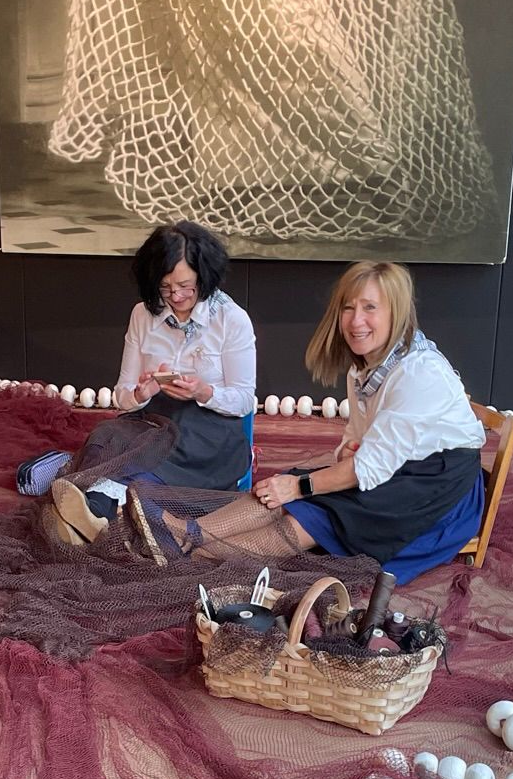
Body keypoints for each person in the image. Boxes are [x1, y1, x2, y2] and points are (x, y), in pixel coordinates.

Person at [125, 260, 485, 581]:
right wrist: (344, 453)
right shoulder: (366, 366)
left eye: (370, 308)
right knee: (287, 485)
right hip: (399, 467)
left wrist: (302, 487)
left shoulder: (418, 374)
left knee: (317, 512)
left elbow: (366, 471)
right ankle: (186, 532)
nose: (356, 321)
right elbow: (356, 435)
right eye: (348, 308)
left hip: (438, 489)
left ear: (397, 313)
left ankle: (187, 547)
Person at [27, 222, 258, 544]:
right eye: (165, 288)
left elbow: (245, 400)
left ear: (205, 277)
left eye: (186, 286)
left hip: (209, 431)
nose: (176, 296)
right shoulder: (142, 314)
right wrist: (142, 392)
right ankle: (95, 514)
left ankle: (95, 510)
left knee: (161, 451)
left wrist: (203, 391)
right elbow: (123, 398)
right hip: (153, 418)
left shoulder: (231, 319)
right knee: (107, 433)